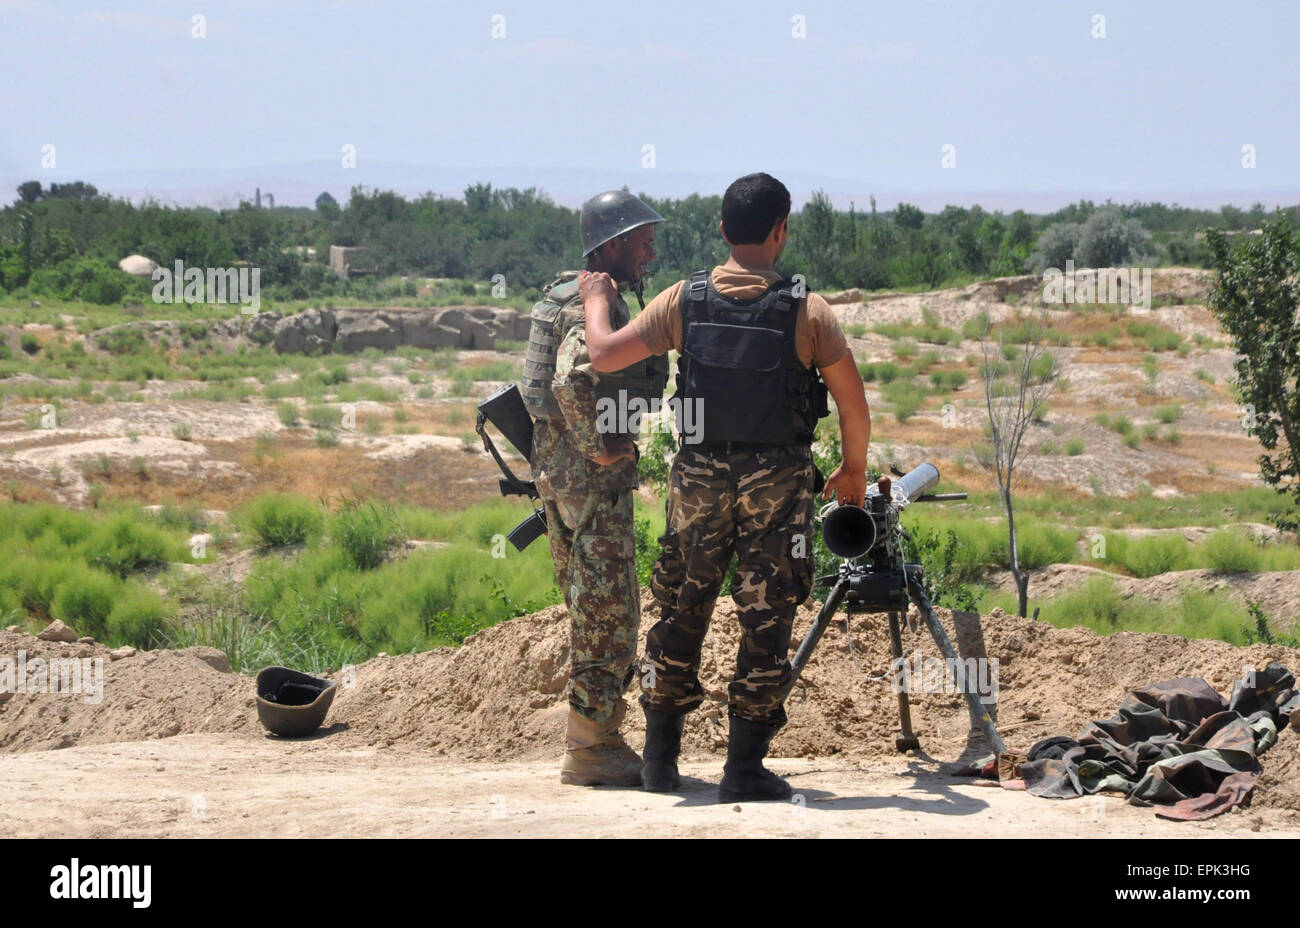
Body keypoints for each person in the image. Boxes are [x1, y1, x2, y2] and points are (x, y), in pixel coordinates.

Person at [578, 173, 871, 801]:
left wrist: (595, 296)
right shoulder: (809, 310)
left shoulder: (683, 300)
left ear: (721, 231)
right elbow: (853, 403)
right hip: (778, 485)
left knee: (681, 608)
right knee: (768, 617)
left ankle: (660, 764)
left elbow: (602, 355)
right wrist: (852, 470)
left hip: (698, 481)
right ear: (779, 231)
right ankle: (743, 769)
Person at [520, 190, 669, 786]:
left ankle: (596, 736)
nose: (650, 248)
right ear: (611, 244)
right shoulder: (594, 300)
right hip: (590, 478)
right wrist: (603, 448)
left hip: (555, 474)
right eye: (642, 238)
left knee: (588, 606)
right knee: (610, 612)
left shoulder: (563, 290)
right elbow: (568, 381)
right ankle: (590, 749)